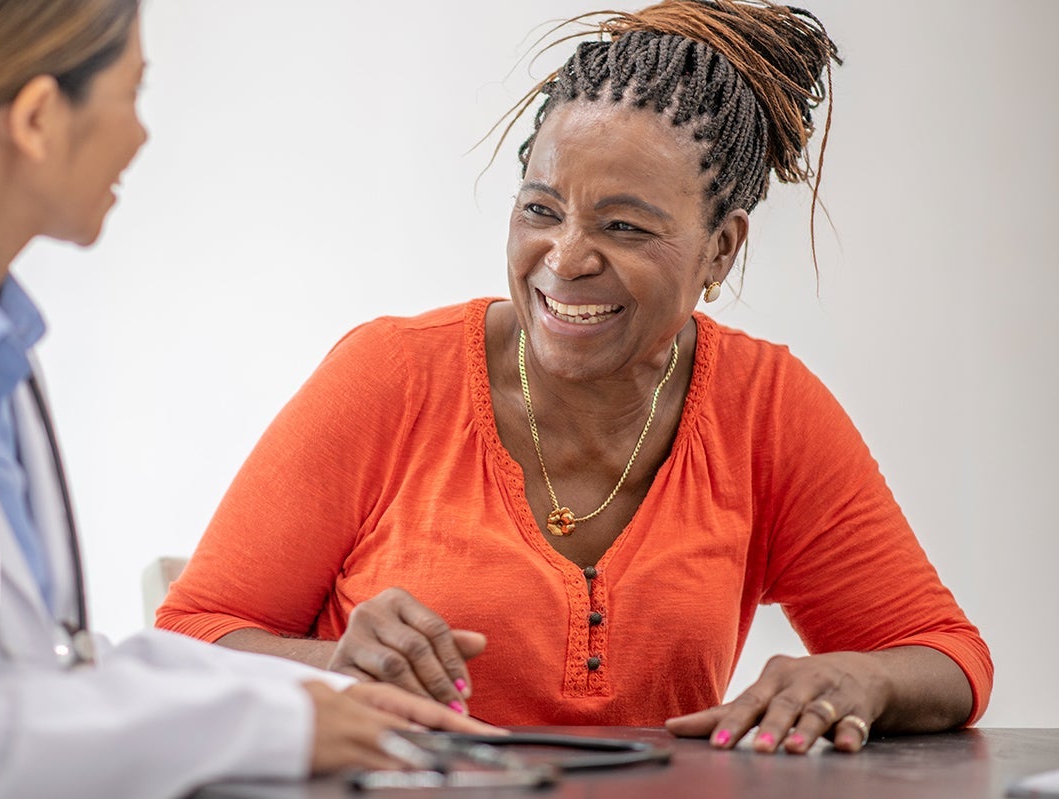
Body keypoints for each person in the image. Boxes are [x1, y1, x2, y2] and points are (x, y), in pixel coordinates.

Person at [157, 0, 993, 755]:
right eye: (541, 209)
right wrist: (334, 665)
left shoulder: (764, 408)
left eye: (624, 226)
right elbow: (188, 634)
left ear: (721, 249)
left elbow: (945, 654)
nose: (565, 259)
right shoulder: (392, 376)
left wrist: (862, 679)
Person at [0, 2, 498, 797]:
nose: (141, 135)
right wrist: (271, 726)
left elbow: (54, 667)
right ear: (35, 118)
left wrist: (330, 696)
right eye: (133, 94)